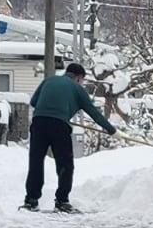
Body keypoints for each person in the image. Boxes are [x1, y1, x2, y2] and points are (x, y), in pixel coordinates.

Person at [22, 63, 117, 212]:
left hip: (39, 122)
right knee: (65, 164)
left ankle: (31, 201)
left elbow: (34, 102)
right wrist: (111, 130)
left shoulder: (49, 80)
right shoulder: (77, 89)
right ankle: (62, 201)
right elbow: (94, 112)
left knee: (36, 161)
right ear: (79, 78)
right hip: (59, 126)